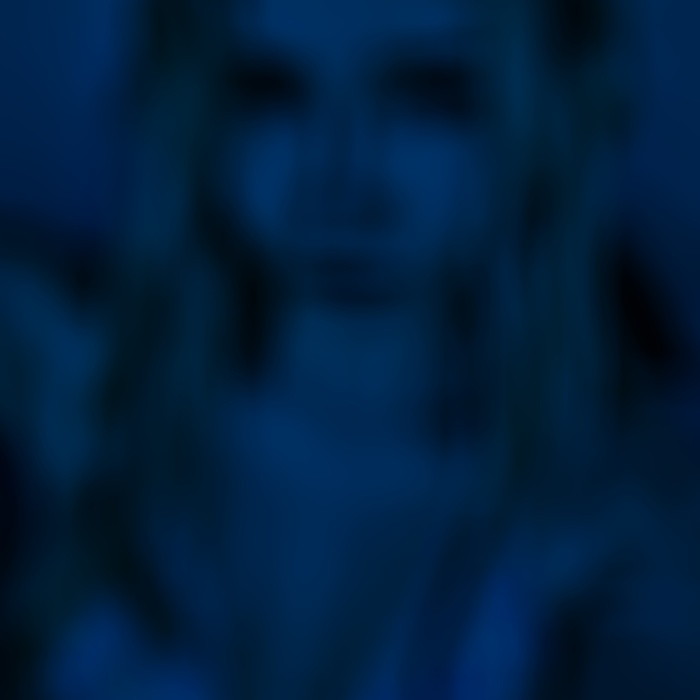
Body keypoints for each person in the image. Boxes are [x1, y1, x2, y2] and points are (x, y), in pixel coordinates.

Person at [8, 0, 699, 699]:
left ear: (550, 104)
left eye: (431, 96)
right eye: (267, 89)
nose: (339, 182)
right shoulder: (66, 402)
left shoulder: (621, 520)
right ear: (188, 104)